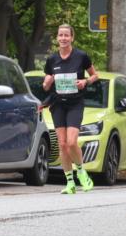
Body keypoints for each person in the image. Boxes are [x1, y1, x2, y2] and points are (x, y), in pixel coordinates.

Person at [40, 23, 99, 194]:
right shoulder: (52, 60)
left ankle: (81, 172)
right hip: (58, 104)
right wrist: (47, 83)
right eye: (61, 35)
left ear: (72, 38)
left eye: (66, 35)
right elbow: (45, 86)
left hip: (75, 103)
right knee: (63, 144)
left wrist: (85, 81)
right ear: (57, 38)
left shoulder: (81, 56)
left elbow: (95, 75)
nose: (63, 38)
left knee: (72, 142)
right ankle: (70, 183)